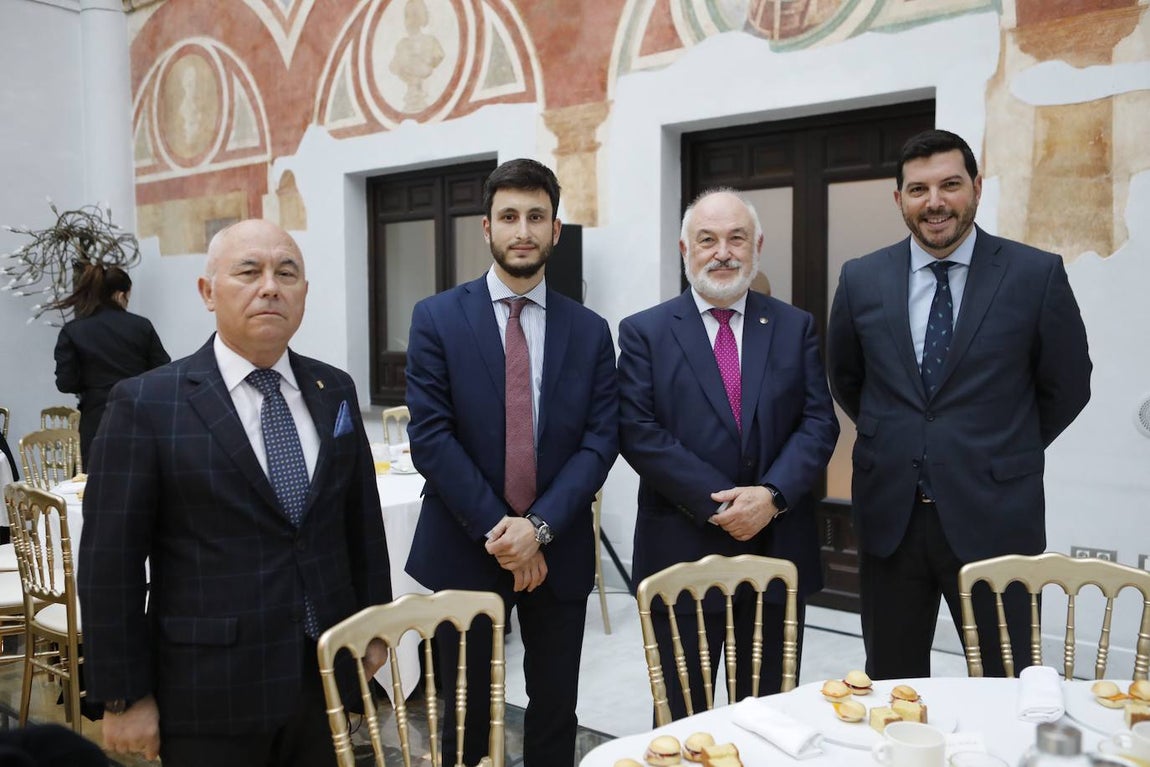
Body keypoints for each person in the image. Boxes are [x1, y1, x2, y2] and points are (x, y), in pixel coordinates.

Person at [77, 219, 392, 766]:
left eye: (286, 272)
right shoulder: (147, 403)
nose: (270, 286)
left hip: (323, 671)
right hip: (209, 687)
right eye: (249, 271)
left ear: (304, 293)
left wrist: (374, 621)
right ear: (207, 292)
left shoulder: (332, 387)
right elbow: (110, 562)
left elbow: (359, 518)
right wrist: (123, 695)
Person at [826, 129, 1092, 679]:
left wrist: (1003, 446)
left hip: (996, 516)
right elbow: (848, 379)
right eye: (918, 190)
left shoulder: (1034, 275)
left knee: (1005, 678)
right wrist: (906, 439)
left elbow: (1067, 385)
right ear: (899, 199)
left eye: (950, 185)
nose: (935, 202)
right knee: (893, 682)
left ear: (976, 187)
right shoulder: (860, 278)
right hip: (890, 518)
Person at [404, 158, 619, 765]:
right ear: (486, 227)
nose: (522, 230)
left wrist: (540, 529)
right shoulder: (436, 319)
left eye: (536, 216)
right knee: (464, 712)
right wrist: (504, 533)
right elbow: (432, 438)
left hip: (559, 548)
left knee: (555, 708)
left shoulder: (591, 330)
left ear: (555, 230)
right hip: (466, 544)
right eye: (509, 217)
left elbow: (601, 441)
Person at [618, 188, 839, 720]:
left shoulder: (794, 326)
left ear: (757, 245)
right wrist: (723, 506)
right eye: (707, 239)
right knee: (681, 718)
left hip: (777, 547)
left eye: (736, 238)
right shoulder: (645, 331)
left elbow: (818, 422)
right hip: (680, 554)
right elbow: (638, 431)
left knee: (765, 717)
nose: (723, 252)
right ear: (684, 249)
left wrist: (771, 496)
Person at [52, 264, 170, 464]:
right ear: (120, 295)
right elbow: (163, 370)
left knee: (95, 486)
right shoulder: (141, 326)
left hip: (96, 420)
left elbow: (66, 383)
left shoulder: (73, 330)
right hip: (140, 418)